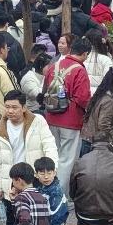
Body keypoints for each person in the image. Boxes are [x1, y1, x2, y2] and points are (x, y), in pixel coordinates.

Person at [0, 91, 57, 211]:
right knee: (13, 217)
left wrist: (51, 171)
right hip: (11, 182)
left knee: (38, 216)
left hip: (34, 179)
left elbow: (50, 147)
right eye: (7, 107)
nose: (10, 111)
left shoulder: (38, 122)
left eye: (14, 107)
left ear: (24, 107)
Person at [41, 39, 92, 188]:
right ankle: (61, 194)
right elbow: (83, 98)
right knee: (67, 160)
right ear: (84, 54)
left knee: (53, 155)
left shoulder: (54, 66)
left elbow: (44, 90)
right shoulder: (79, 70)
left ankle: (48, 189)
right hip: (71, 119)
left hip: (51, 117)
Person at [33, 154, 70, 225]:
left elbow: (57, 218)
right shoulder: (40, 187)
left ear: (54, 173)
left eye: (49, 173)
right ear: (36, 174)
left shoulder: (56, 193)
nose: (46, 177)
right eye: (42, 174)